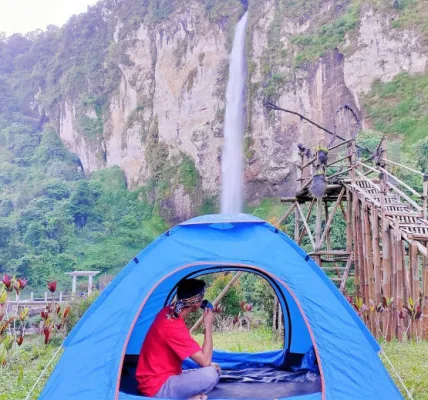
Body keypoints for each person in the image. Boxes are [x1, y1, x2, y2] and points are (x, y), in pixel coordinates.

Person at [136, 278, 219, 399]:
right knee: (211, 374)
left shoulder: (169, 312)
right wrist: (208, 324)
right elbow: (205, 361)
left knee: (214, 368)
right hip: (156, 388)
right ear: (196, 304)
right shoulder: (172, 326)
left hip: (157, 378)